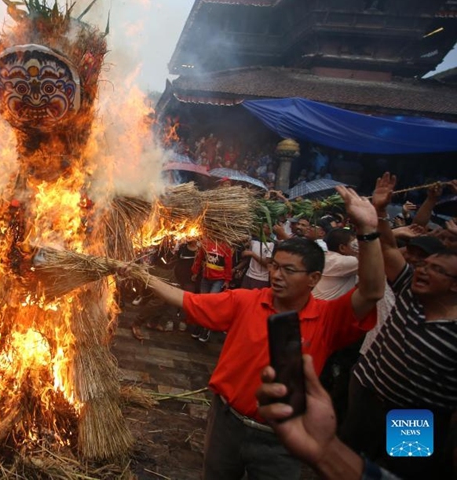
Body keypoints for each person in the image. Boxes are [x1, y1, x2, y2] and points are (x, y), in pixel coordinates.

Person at [119, 185, 385, 480]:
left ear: (314, 279)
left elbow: (372, 290)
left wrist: (369, 230)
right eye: (274, 267)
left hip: (282, 438)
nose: (276, 275)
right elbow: (188, 301)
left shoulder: (327, 318)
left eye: (288, 270)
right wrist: (141, 275)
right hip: (226, 423)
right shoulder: (247, 300)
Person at [340, 172, 457, 479]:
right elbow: (390, 249)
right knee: (346, 462)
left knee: (395, 473)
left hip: (414, 419)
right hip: (366, 393)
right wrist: (378, 211)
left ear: (454, 286)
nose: (422, 270)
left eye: (435, 270)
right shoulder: (408, 289)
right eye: (423, 264)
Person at [256, 355, 402, 480]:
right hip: (368, 392)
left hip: (411, 409)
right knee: (358, 446)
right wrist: (326, 451)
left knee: (407, 463)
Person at [190, 238, 233, 342]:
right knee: (202, 303)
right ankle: (199, 325)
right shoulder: (206, 243)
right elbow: (199, 259)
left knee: (211, 304)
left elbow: (228, 265)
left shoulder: (225, 247)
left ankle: (206, 329)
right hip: (206, 278)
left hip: (218, 280)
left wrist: (227, 281)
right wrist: (195, 272)